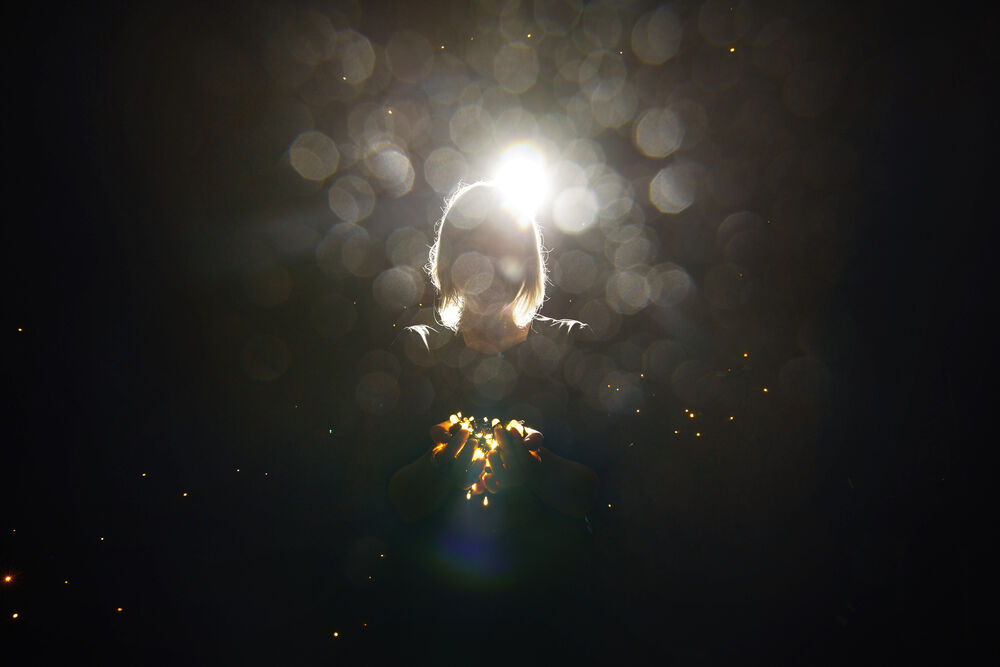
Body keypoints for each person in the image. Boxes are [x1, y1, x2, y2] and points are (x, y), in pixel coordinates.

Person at [387, 181, 599, 522]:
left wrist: (539, 468)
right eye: (473, 252)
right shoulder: (418, 350)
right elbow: (388, 492)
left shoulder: (572, 345)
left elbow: (607, 489)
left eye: (505, 251)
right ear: (448, 260)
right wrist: (437, 468)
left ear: (529, 261)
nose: (488, 270)